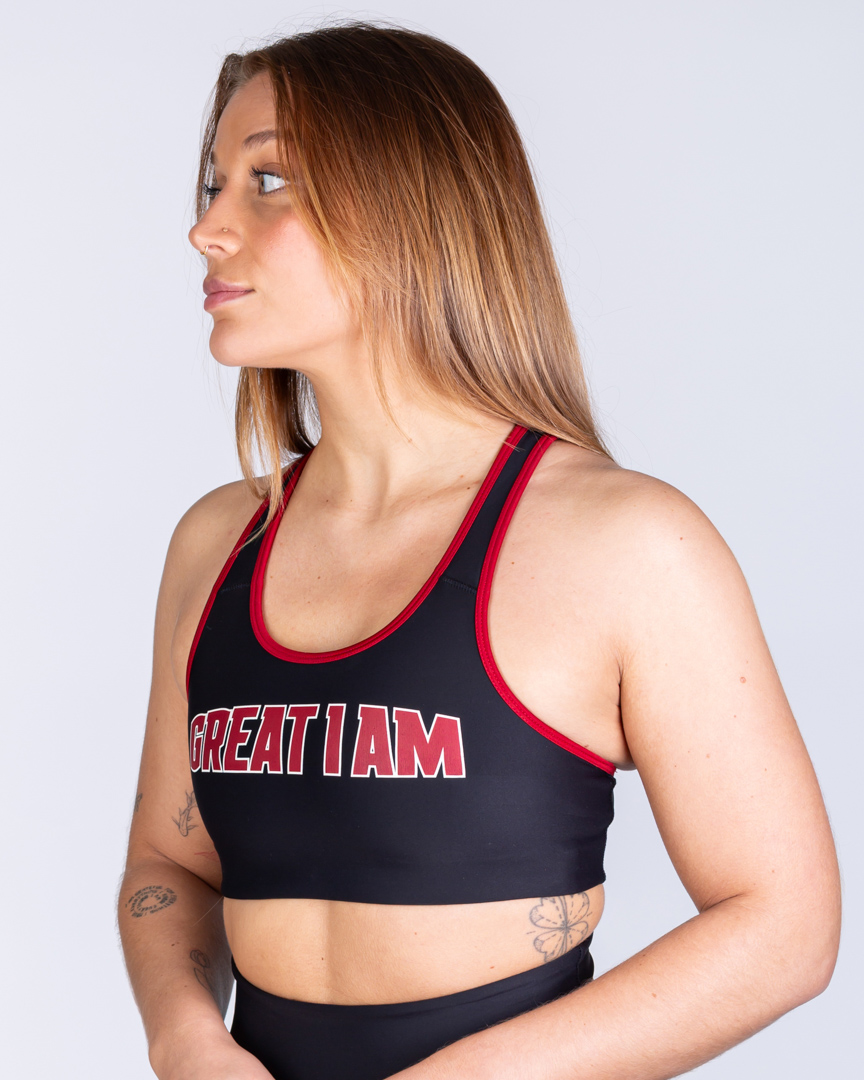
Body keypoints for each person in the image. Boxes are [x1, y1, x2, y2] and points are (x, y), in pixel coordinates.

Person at [118, 20, 841, 1080]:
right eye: (213, 183)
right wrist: (184, 1040)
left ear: (405, 206)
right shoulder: (218, 542)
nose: (207, 229)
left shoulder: (626, 545)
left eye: (267, 181)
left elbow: (784, 925)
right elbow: (169, 862)